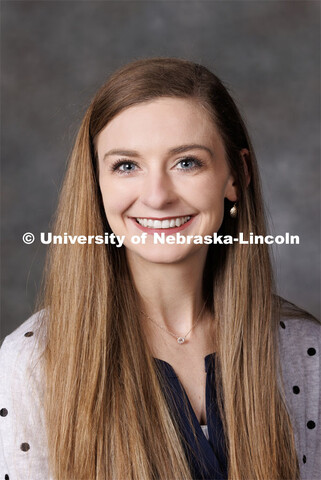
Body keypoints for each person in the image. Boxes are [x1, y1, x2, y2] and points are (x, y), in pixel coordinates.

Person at [0, 57, 320, 480]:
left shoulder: (307, 353)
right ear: (96, 182)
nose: (156, 196)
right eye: (126, 166)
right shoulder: (32, 362)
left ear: (235, 175)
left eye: (186, 162)